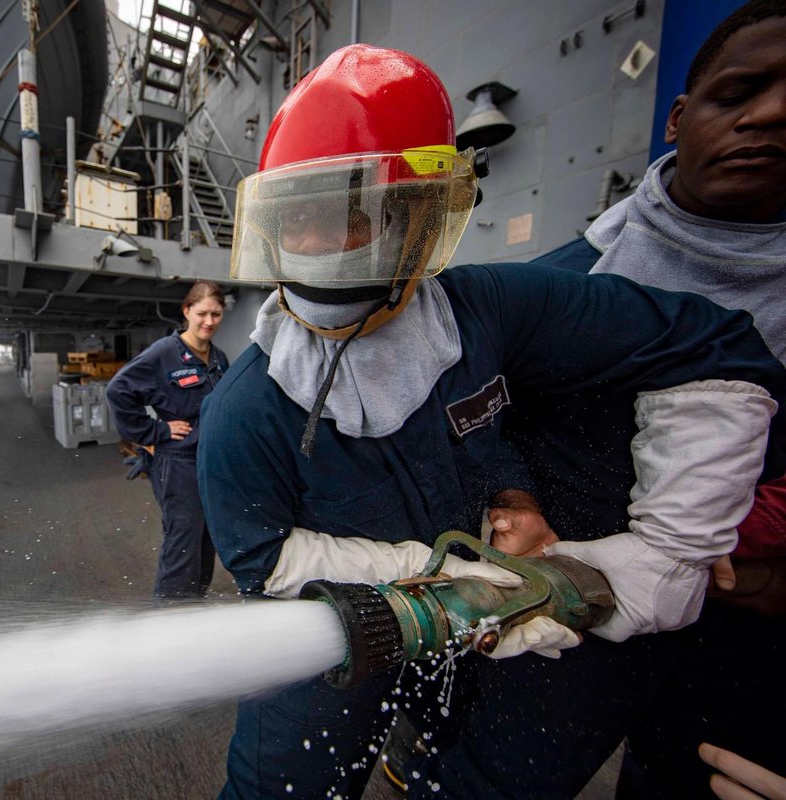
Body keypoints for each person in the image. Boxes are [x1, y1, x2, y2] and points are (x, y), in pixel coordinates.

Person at [195, 44, 786, 799]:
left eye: (347, 217)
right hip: (339, 630)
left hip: (478, 644)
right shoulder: (243, 410)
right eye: (296, 221)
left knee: (461, 763)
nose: (312, 248)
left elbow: (716, 346)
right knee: (284, 782)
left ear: (418, 218)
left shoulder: (489, 314)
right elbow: (263, 564)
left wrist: (661, 547)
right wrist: (430, 582)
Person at [483, 4, 786, 797]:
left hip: (743, 648)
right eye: (741, 92)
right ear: (679, 120)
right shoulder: (558, 285)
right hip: (563, 616)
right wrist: (513, 499)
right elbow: (482, 421)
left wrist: (751, 552)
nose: (774, 113)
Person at [106, 280, 230, 599]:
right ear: (186, 311)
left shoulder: (219, 359)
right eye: (202, 313)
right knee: (183, 544)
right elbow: (118, 391)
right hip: (178, 464)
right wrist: (155, 432)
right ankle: (170, 619)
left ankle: (193, 606)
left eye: (216, 314)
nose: (209, 322)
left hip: (209, 464)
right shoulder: (164, 353)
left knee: (207, 541)